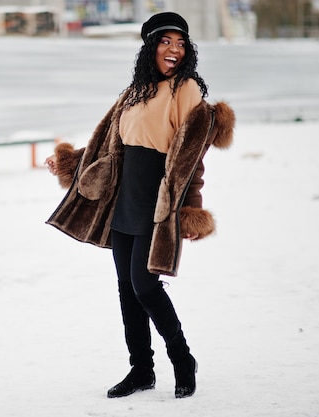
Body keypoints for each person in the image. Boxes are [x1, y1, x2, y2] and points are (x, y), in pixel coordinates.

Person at [45, 12, 234, 399]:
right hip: (123, 198)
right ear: (150, 46)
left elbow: (192, 158)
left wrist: (189, 210)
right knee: (126, 288)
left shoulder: (187, 91)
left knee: (145, 286)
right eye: (166, 42)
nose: (174, 50)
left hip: (158, 201)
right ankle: (141, 370)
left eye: (180, 43)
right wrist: (68, 162)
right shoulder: (134, 92)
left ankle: (183, 360)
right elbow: (107, 146)